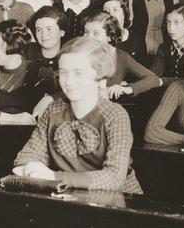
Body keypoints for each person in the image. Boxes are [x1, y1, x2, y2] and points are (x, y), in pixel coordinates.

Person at [13, 36, 142, 193]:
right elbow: (27, 155)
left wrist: (54, 177)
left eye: (78, 73)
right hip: (70, 196)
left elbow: (114, 177)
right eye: (63, 72)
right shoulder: (53, 111)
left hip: (119, 199)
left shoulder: (115, 115)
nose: (69, 81)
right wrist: (28, 168)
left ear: (98, 75)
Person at [83, 12, 161, 100]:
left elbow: (153, 79)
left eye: (96, 33)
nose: (89, 37)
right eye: (86, 32)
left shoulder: (121, 57)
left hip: (109, 106)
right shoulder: (77, 55)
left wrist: (128, 88)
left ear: (110, 36)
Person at [151, 4, 184, 82]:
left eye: (176, 22)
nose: (171, 28)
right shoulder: (164, 48)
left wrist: (163, 81)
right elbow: (153, 76)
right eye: (168, 22)